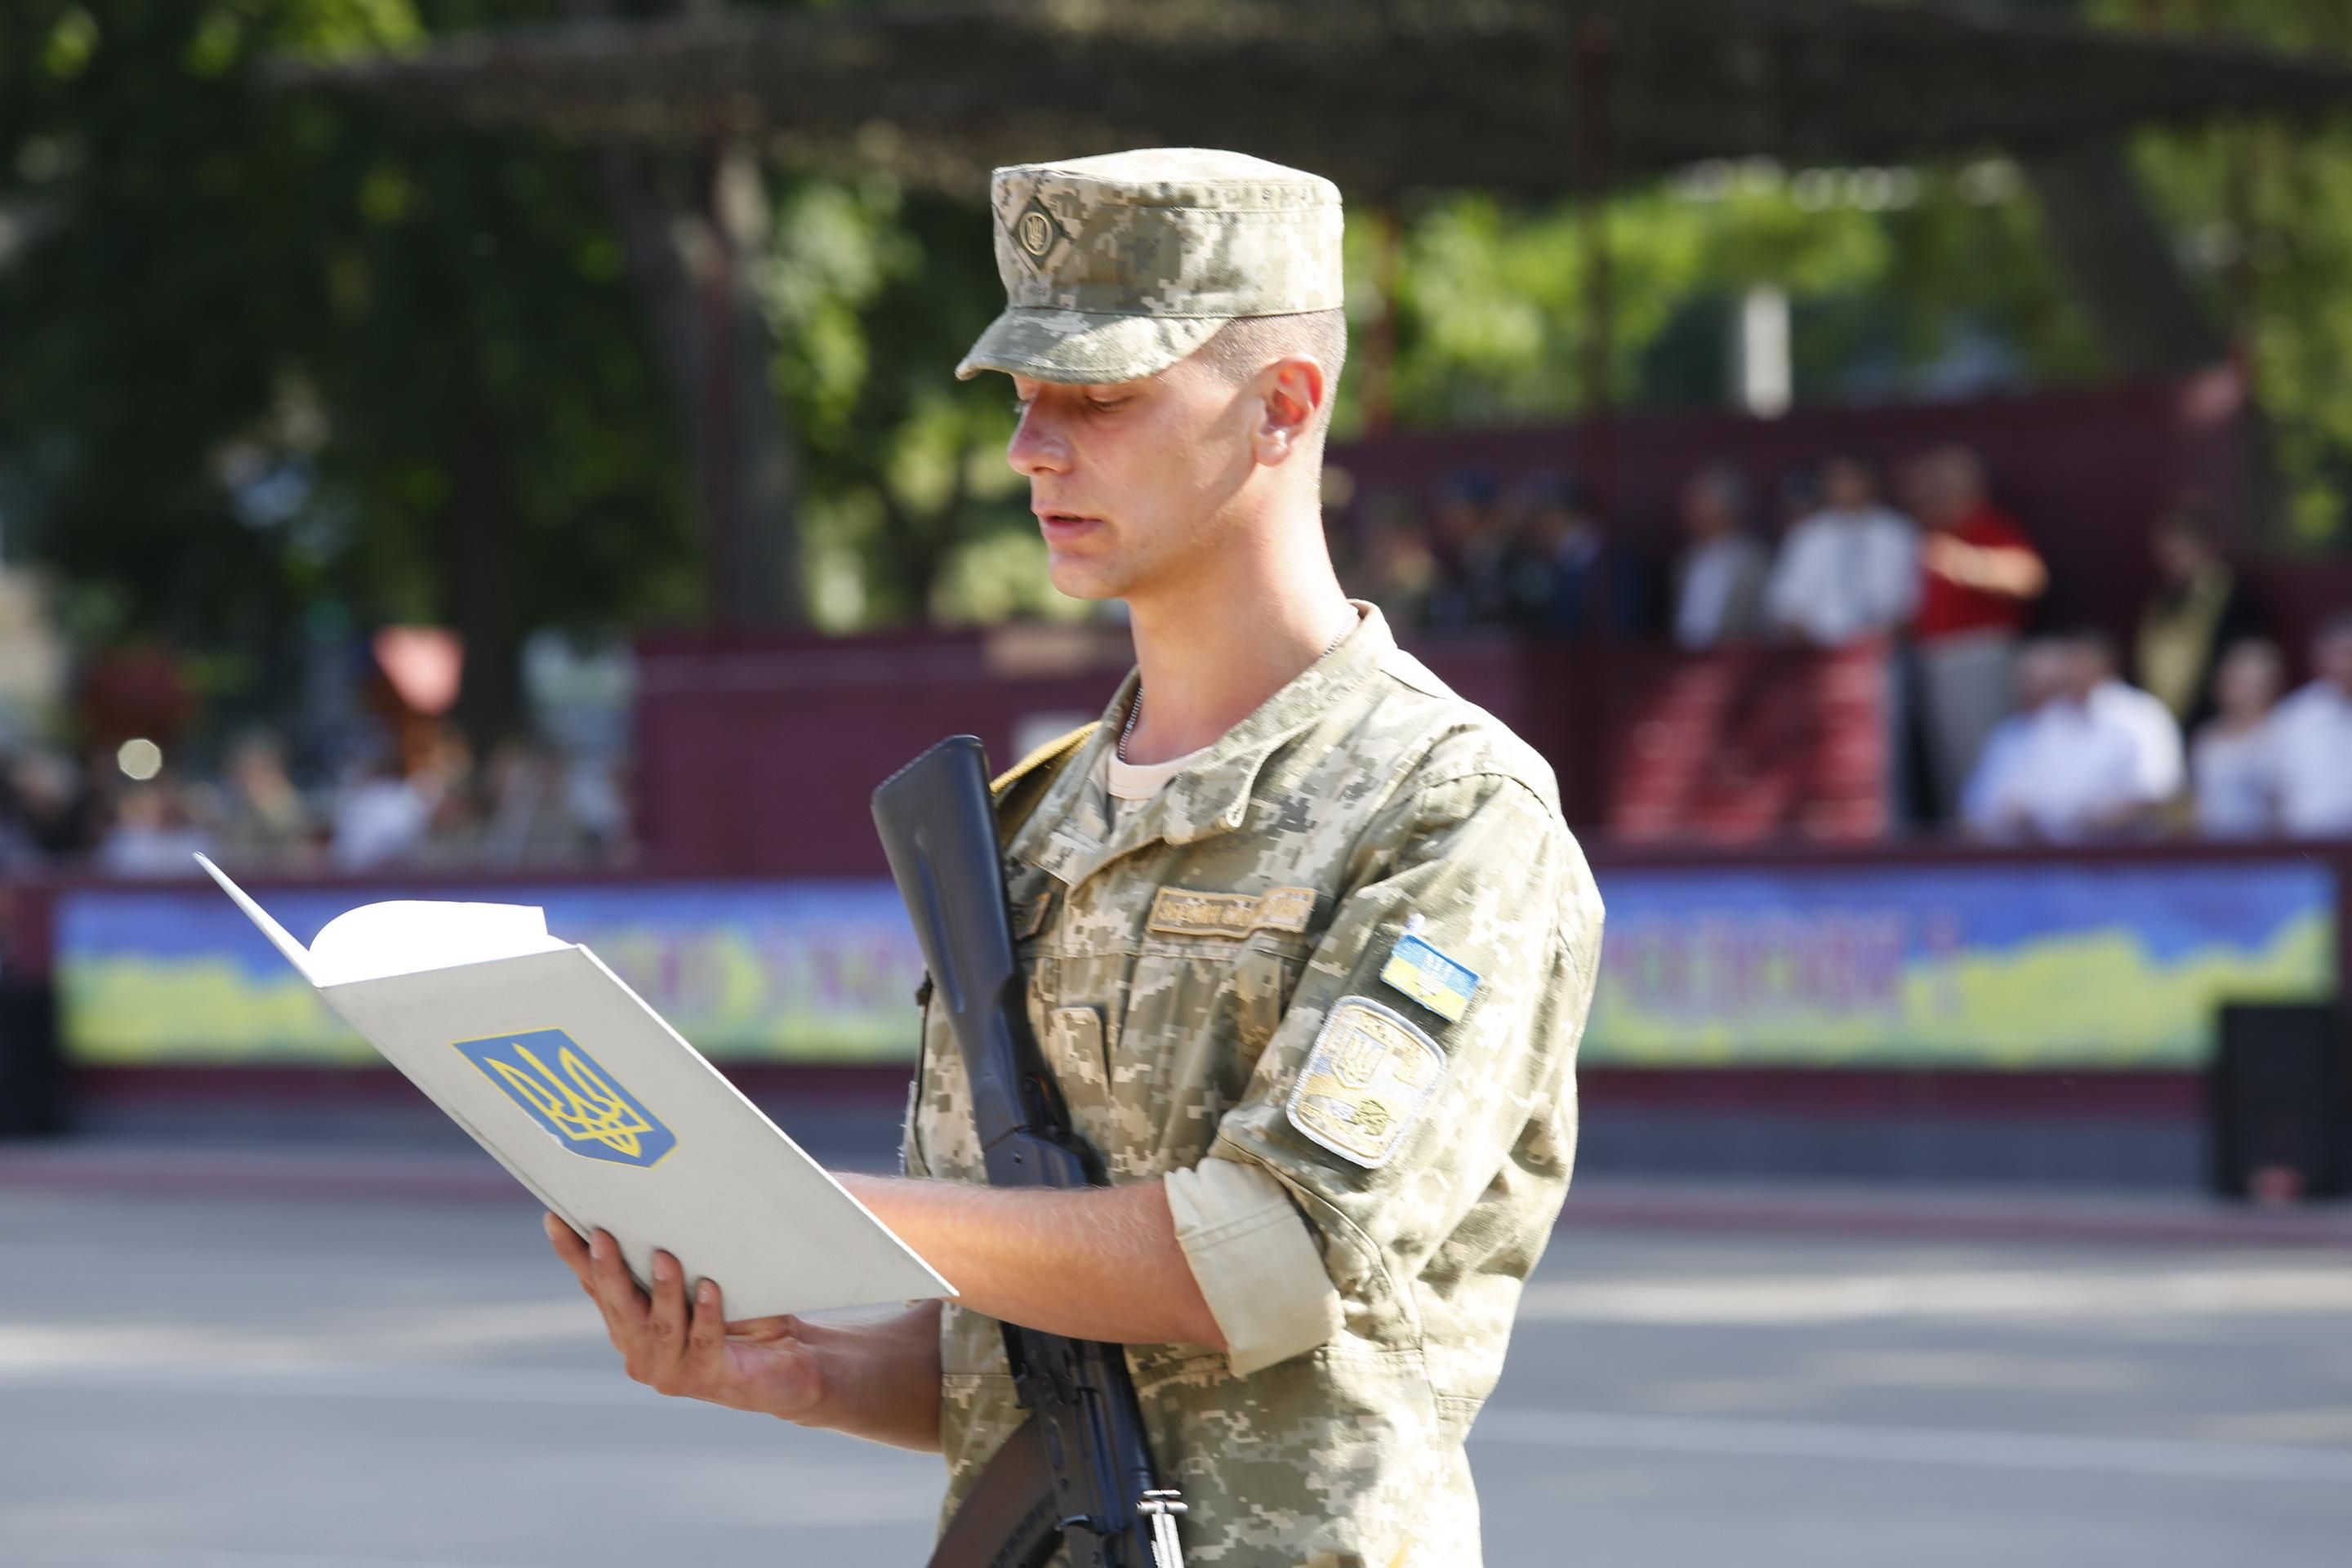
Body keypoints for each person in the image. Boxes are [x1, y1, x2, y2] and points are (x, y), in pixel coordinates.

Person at [546, 148, 1605, 1567]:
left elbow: (1271, 1256)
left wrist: (800, 1205)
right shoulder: (1035, 826)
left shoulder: (1448, 812)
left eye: (1098, 398)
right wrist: (794, 1371)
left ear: (1282, 407)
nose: (1030, 449)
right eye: (1026, 400)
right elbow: (1013, 1346)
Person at [1905, 445, 2047, 819]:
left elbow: (2030, 577)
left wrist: (1968, 565)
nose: (1935, 498)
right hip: (1937, 662)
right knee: (1951, 760)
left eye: (1945, 488)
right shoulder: (1923, 535)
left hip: (1983, 656)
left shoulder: (1990, 526)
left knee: (1987, 754)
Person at [1962, 637, 2140, 841]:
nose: (2031, 692)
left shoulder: (2118, 733)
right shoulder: (2009, 736)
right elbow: (1974, 816)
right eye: (2026, 682)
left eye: (2050, 686)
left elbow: (2142, 807)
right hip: (2019, 861)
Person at [2134, 498, 2264, 731]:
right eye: (2167, 554)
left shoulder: (2235, 599)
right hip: (2162, 722)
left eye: (2180, 551)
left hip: (2212, 724)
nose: (2172, 562)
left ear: (2205, 546)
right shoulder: (2161, 601)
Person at [1764, 456, 1919, 647]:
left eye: (1850, 478)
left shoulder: (1899, 533)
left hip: (1885, 652)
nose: (1842, 487)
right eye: (1834, 479)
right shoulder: (1806, 536)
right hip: (1820, 656)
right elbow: (1785, 606)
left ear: (1869, 482)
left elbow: (1912, 603)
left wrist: (1878, 641)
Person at [2190, 639, 2285, 838]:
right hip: (2214, 851)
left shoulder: (2284, 734)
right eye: (2234, 681)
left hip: (2267, 852)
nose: (2241, 692)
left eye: (2252, 684)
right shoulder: (2205, 737)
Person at [1668, 465, 1770, 649]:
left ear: (1727, 507)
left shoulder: (1756, 562)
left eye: (1701, 501)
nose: (1690, 509)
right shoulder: (1685, 563)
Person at [2269, 612, 2352, 837]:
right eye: (2339, 654)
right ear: (2321, 659)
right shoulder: (2295, 715)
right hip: (2308, 848)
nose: (2346, 664)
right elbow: (2275, 791)